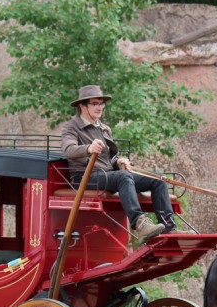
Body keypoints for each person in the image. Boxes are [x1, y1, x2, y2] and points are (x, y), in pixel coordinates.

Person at [60, 85, 175, 244]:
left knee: (158, 178)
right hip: (86, 177)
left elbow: (109, 158)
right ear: (82, 106)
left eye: (101, 103)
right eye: (95, 103)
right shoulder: (71, 127)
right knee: (123, 177)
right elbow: (68, 150)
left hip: (109, 175)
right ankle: (140, 225)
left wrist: (119, 161)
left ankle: (170, 227)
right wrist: (88, 148)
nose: (100, 107)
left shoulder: (104, 128)